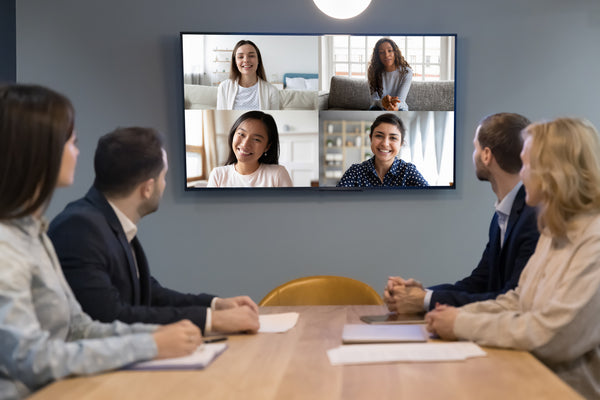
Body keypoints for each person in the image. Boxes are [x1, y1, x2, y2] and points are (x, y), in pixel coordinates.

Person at [0, 84, 201, 399]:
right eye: (71, 142)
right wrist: (149, 344)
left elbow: (80, 328)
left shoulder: (35, 234)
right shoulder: (5, 247)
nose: (78, 151)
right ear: (40, 150)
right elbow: (32, 360)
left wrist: (160, 334)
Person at [426, 117, 600, 399]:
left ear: (554, 171)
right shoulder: (554, 231)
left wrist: (462, 324)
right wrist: (456, 314)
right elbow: (519, 300)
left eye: (527, 164)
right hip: (529, 378)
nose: (522, 174)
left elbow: (554, 335)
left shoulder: (594, 239)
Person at [48, 127, 260, 334]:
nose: (164, 184)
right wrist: (213, 321)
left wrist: (215, 305)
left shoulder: (104, 221)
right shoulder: (80, 228)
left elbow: (148, 293)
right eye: (163, 176)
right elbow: (108, 316)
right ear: (147, 188)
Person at [384, 113, 539, 312]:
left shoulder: (533, 216)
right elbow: (479, 283)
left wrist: (424, 300)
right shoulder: (504, 214)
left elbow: (511, 299)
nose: (473, 155)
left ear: (486, 155)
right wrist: (423, 294)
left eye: (475, 147)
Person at [336, 113, 428, 187]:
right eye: (379, 136)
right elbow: (336, 203)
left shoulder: (408, 171)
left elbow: (430, 200)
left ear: (401, 144)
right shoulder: (355, 172)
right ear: (371, 138)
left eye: (393, 138)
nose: (385, 143)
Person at [207, 110, 293, 187]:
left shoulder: (278, 174)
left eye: (256, 139)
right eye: (241, 134)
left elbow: (289, 205)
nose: (245, 144)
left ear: (267, 147)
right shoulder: (218, 175)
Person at [216, 40, 280, 110]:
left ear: (258, 60)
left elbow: (273, 120)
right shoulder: (224, 87)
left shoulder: (272, 91)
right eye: (240, 57)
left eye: (251, 56)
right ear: (235, 62)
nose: (246, 60)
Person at [367, 38, 413, 111]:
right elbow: (374, 100)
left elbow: (401, 99)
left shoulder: (406, 72)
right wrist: (383, 103)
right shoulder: (373, 71)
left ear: (395, 52)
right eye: (381, 52)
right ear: (377, 56)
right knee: (373, 108)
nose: (386, 55)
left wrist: (394, 106)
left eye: (389, 51)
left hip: (399, 108)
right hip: (380, 107)